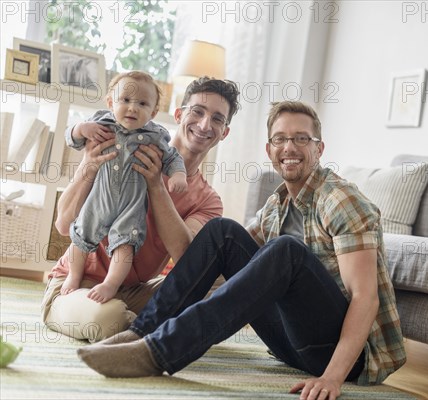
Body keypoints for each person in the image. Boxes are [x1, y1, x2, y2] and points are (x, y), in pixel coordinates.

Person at [77, 101, 407, 399]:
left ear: (319, 149)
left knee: (285, 250)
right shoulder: (278, 203)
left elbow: (365, 298)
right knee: (222, 231)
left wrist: (333, 378)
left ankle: (159, 351)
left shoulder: (341, 200)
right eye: (280, 139)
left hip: (347, 358)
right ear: (269, 149)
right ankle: (141, 332)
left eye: (301, 139)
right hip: (290, 346)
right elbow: (231, 264)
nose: (289, 147)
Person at [41, 77, 241, 342]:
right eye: (198, 112)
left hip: (137, 291)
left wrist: (157, 186)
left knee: (228, 284)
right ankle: (155, 329)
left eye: (217, 119)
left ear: (224, 132)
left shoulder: (208, 200)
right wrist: (88, 165)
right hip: (77, 286)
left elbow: (187, 260)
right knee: (104, 319)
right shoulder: (123, 147)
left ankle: (148, 324)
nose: (205, 125)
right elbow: (64, 225)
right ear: (179, 115)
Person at [62, 71, 188, 304]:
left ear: (153, 112)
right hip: (99, 200)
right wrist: (80, 128)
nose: (132, 108)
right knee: (80, 236)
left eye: (142, 103)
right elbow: (70, 137)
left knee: (125, 246)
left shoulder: (155, 136)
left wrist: (179, 175)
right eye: (125, 101)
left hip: (131, 207)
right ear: (111, 103)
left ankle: (111, 283)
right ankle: (73, 275)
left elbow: (172, 158)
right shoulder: (100, 123)